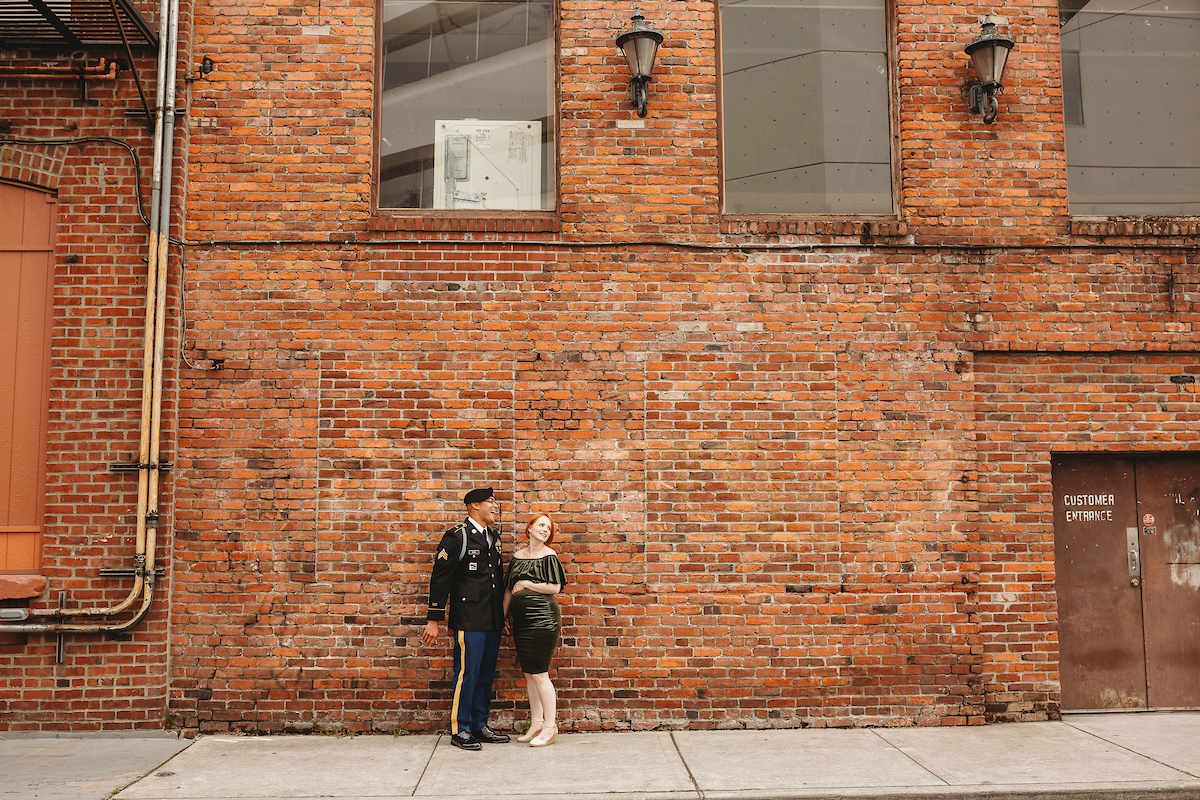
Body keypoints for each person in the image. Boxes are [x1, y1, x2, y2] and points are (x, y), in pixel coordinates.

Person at [421, 487, 510, 750]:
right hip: (469, 618)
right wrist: (434, 619)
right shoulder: (457, 537)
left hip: (491, 619)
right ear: (473, 506)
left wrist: (502, 617)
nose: (495, 506)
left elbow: (496, 581)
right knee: (467, 673)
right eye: (490, 501)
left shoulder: (493, 537)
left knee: (484, 674)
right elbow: (440, 578)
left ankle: (479, 724)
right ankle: (460, 729)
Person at [504, 513, 568, 747]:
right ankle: (536, 723)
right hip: (522, 621)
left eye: (549, 528)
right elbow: (509, 589)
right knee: (529, 674)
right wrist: (504, 616)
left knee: (540, 673)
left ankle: (550, 727)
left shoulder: (549, 556)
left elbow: (555, 587)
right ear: (529, 528)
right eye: (541, 525)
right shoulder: (518, 557)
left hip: (544, 620)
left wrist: (528, 584)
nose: (545, 530)